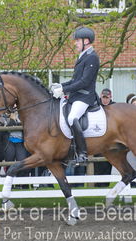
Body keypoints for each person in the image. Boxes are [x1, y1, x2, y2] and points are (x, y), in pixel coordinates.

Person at [50, 27, 100, 163]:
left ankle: (82, 153)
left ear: (87, 41)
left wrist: (64, 91)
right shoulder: (83, 57)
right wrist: (61, 86)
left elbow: (84, 82)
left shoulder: (92, 57)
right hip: (76, 96)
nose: (75, 43)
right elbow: (75, 80)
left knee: (72, 118)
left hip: (85, 96)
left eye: (77, 41)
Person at [4, 112, 30, 189]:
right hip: (9, 142)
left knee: (21, 162)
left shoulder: (23, 115)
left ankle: (21, 184)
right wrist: (12, 119)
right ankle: (9, 185)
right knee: (9, 162)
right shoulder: (6, 116)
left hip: (20, 142)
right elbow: (6, 128)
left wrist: (18, 121)